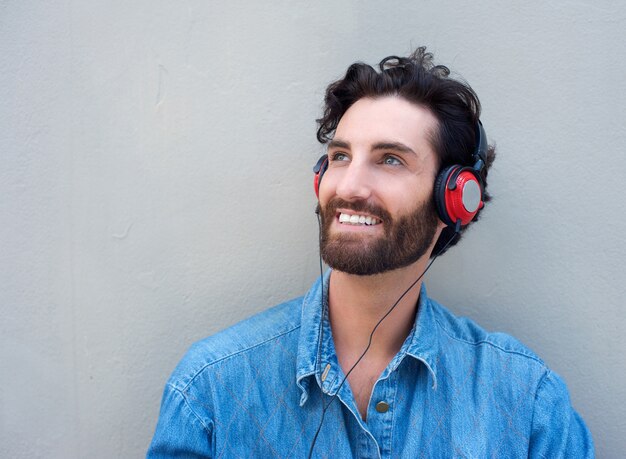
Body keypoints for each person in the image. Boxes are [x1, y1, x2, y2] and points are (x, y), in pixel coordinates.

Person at [147, 47, 594, 458]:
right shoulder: (210, 392)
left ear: (454, 199)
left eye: (390, 160)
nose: (349, 186)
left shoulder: (526, 402)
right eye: (340, 157)